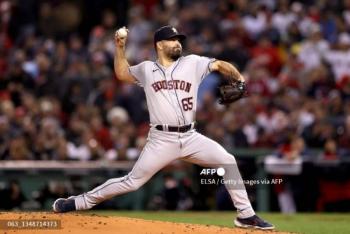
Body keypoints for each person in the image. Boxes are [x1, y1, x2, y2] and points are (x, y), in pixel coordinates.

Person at [52, 25, 274, 230]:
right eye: (172, 40)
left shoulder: (192, 63)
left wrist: (240, 79)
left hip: (190, 136)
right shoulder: (147, 69)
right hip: (161, 139)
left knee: (228, 160)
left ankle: (245, 214)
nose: (178, 43)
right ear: (159, 45)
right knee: (132, 182)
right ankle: (78, 202)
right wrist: (120, 47)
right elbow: (122, 73)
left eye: (179, 40)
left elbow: (219, 64)